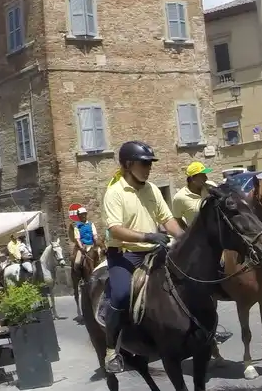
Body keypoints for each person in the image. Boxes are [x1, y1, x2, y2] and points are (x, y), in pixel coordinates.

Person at [102, 140, 186, 373]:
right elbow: (114, 229)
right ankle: (111, 350)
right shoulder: (115, 192)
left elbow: (167, 219)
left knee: (187, 276)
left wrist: (183, 238)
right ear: (129, 165)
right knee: (121, 295)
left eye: (150, 163)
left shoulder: (152, 189)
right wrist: (148, 236)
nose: (149, 168)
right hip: (125, 254)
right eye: (144, 163)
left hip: (154, 251)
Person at [171, 162, 214, 230]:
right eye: (202, 176)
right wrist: (188, 232)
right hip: (199, 235)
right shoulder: (179, 197)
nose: (206, 178)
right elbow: (177, 218)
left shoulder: (211, 186)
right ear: (192, 179)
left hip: (217, 232)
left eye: (205, 175)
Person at [68, 203, 99, 274]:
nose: (83, 216)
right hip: (82, 247)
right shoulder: (77, 226)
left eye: (84, 214)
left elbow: (95, 235)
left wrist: (96, 243)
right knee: (77, 263)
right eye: (81, 215)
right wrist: (81, 248)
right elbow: (77, 239)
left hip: (92, 245)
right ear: (78, 216)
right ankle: (80, 277)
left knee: (101, 258)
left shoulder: (91, 224)